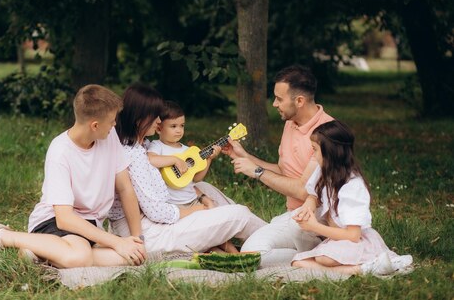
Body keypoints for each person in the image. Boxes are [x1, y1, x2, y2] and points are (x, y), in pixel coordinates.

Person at [0, 85, 147, 268]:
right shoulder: (60, 152)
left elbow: (124, 188)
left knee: (130, 258)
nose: (115, 124)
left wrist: (138, 241)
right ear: (95, 125)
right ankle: (2, 235)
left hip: (88, 227)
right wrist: (116, 242)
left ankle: (40, 254)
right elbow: (64, 218)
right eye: (112, 121)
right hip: (53, 222)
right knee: (80, 256)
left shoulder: (109, 136)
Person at [108, 83, 266, 254]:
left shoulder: (141, 145)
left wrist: (204, 198)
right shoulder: (134, 156)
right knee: (239, 214)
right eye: (155, 116)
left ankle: (259, 235)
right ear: (140, 119)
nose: (159, 121)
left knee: (205, 189)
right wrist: (197, 209)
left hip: (156, 220)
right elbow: (157, 212)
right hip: (149, 232)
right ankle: (271, 236)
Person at [222, 65, 334, 266]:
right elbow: (284, 171)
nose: (274, 104)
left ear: (299, 101)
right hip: (296, 216)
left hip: (319, 217)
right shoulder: (291, 123)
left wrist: (257, 172)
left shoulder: (326, 134)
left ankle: (320, 256)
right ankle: (315, 252)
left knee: (252, 254)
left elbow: (303, 191)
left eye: (279, 99)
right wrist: (245, 156)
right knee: (252, 247)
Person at [291, 120, 413, 275]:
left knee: (323, 260)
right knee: (298, 261)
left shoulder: (353, 185)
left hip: (355, 241)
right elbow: (313, 194)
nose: (313, 155)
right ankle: (363, 268)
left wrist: (314, 226)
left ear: (330, 152)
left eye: (314, 150)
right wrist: (308, 206)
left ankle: (363, 268)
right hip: (336, 239)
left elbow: (353, 235)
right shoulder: (324, 171)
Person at [147, 100, 238, 252]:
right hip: (174, 205)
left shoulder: (189, 151)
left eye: (182, 126)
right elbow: (151, 160)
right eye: (173, 126)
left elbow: (196, 178)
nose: (179, 130)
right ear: (159, 128)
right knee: (202, 235)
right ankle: (218, 252)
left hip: (191, 200)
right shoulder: (157, 146)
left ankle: (235, 253)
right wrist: (175, 160)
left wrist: (208, 159)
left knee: (212, 227)